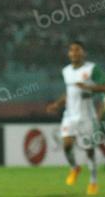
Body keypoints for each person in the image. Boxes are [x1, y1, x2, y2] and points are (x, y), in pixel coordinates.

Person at [48, 41, 104, 196]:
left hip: (87, 116)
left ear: (83, 53)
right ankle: (75, 168)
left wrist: (88, 87)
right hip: (70, 115)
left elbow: (104, 86)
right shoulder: (66, 71)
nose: (74, 52)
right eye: (71, 50)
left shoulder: (92, 69)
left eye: (77, 50)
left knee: (89, 151)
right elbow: (69, 92)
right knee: (66, 145)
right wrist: (57, 104)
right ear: (69, 54)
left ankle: (93, 181)